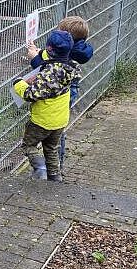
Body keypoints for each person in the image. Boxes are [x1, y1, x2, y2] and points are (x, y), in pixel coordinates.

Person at [28, 16, 94, 172]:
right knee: (59, 127)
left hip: (59, 93)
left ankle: (49, 165)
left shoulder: (68, 55)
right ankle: (55, 167)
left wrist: (35, 59)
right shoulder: (77, 51)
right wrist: (42, 53)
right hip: (70, 90)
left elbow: (51, 72)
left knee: (53, 130)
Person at [15, 30, 80, 183]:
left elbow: (31, 94)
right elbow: (51, 61)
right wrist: (37, 53)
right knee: (51, 148)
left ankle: (40, 168)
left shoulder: (49, 73)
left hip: (42, 120)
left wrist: (19, 84)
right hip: (60, 120)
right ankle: (55, 176)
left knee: (28, 145)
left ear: (49, 49)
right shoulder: (72, 67)